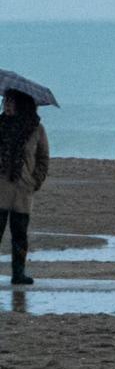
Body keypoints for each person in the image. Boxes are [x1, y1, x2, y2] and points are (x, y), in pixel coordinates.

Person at [0, 89, 51, 286]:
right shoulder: (1, 125)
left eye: (11, 102)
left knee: (20, 235)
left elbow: (43, 159)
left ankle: (18, 274)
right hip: (1, 188)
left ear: (22, 104)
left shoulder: (36, 129)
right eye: (6, 102)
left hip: (23, 191)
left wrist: (35, 181)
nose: (7, 105)